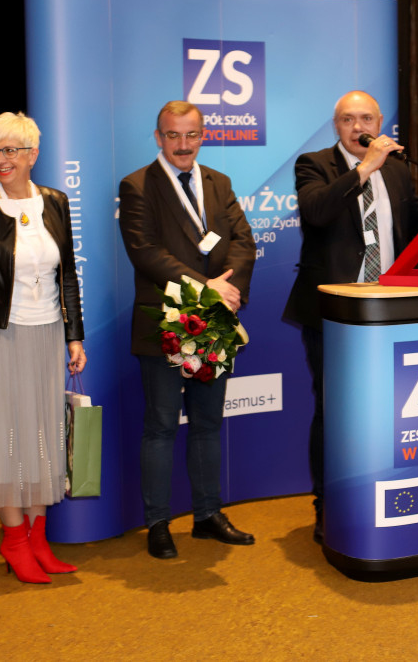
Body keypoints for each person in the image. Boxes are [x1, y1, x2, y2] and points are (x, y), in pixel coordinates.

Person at [282, 90, 418, 544]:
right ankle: (328, 504)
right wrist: (364, 168)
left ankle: (381, 495)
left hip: (389, 310)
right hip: (335, 313)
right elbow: (316, 212)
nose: (358, 127)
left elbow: (416, 221)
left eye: (366, 119)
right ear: (336, 126)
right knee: (335, 411)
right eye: (347, 120)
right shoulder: (314, 164)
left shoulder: (396, 170)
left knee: (385, 414)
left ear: (379, 123)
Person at [0, 112, 86, 584]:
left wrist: (74, 335)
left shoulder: (55, 202)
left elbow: (68, 274)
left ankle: (38, 538)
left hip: (47, 334)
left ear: (33, 154)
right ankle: (14, 539)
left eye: (11, 150)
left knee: (42, 435)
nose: (1, 159)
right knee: (5, 438)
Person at [119, 100, 257, 560]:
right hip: (164, 319)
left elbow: (243, 241)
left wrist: (226, 291)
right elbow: (145, 252)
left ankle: (207, 515)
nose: (183, 144)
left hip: (212, 321)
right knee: (160, 426)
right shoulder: (137, 185)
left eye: (191, 134)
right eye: (173, 135)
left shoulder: (219, 182)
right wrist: (207, 288)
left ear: (203, 135)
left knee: (207, 424)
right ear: (158, 137)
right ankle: (158, 522)